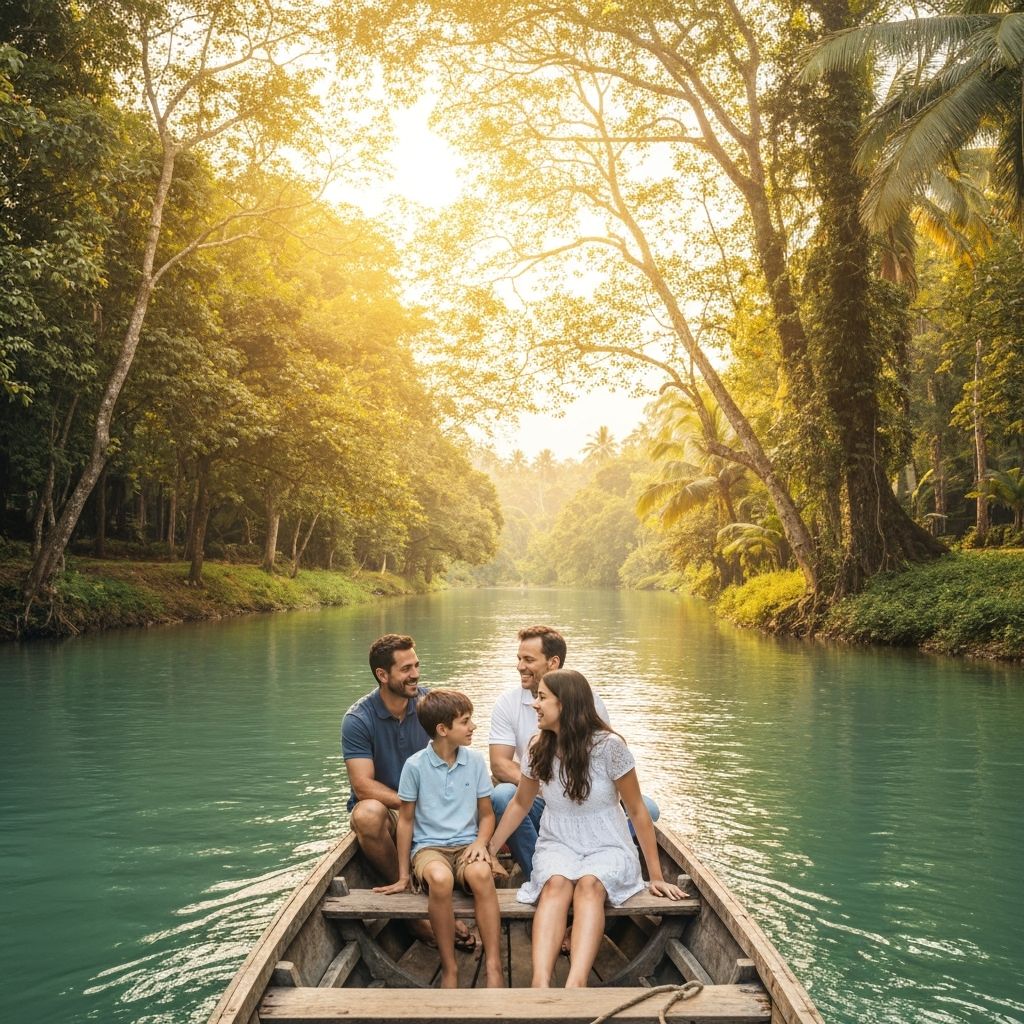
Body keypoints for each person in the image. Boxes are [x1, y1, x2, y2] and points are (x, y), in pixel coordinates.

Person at [487, 669, 685, 988]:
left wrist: (656, 877)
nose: (534, 704)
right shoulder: (538, 746)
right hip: (559, 842)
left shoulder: (610, 747)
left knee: (590, 885)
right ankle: (540, 984)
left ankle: (575, 985)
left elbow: (636, 810)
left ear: (564, 704)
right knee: (555, 885)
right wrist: (490, 850)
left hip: (608, 844)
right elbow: (520, 804)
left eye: (542, 698)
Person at [489, 624, 658, 879]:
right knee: (503, 796)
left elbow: (601, 755)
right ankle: (535, 871)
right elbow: (500, 764)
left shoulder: (587, 702)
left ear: (553, 662)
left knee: (648, 808)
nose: (520, 666)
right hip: (538, 796)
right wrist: (542, 785)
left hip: (582, 794)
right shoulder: (508, 704)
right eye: (519, 659)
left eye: (528, 660)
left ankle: (610, 863)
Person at [341, 633, 474, 949]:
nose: (415, 674)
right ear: (382, 675)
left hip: (435, 805)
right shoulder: (358, 719)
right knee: (367, 815)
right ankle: (414, 914)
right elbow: (362, 785)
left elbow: (461, 764)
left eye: (416, 665)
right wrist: (408, 801)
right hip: (393, 806)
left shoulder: (432, 707)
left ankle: (461, 900)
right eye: (405, 669)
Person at [374, 690, 505, 989]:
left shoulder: (474, 761)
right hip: (429, 849)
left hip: (467, 847)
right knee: (440, 878)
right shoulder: (415, 766)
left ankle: (494, 965)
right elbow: (405, 821)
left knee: (482, 874)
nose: (472, 727)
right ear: (443, 730)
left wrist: (480, 843)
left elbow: (486, 815)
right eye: (466, 721)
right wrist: (403, 875)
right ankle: (450, 968)